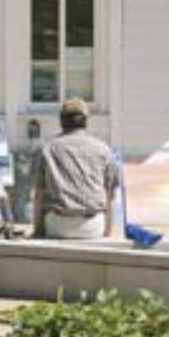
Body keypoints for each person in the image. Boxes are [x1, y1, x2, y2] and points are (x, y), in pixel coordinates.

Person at [32, 97, 119, 240]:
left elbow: (38, 195)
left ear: (61, 121)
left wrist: (37, 231)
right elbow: (110, 196)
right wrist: (108, 234)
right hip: (93, 225)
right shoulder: (103, 149)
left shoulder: (46, 149)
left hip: (58, 224)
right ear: (85, 121)